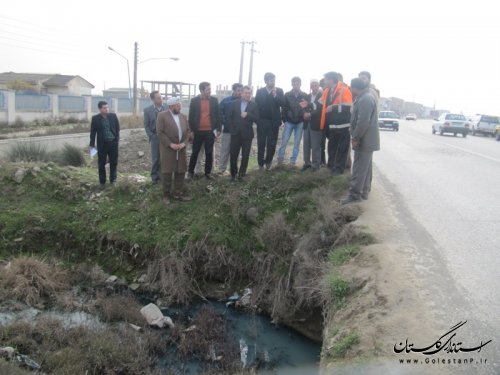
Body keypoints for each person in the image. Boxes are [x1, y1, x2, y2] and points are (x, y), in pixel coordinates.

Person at [341, 78, 380, 205]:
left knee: (359, 168)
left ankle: (355, 194)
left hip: (364, 140)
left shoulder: (365, 99)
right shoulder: (365, 96)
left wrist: (355, 137)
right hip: (366, 140)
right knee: (366, 168)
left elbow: (363, 122)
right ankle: (364, 192)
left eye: (351, 89)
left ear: (354, 88)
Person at [156, 97, 192, 205]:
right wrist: (170, 144)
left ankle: (178, 194)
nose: (180, 107)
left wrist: (184, 143)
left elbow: (188, 132)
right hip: (168, 150)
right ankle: (166, 196)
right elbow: (160, 133)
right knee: (167, 172)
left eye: (180, 105)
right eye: (178, 105)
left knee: (180, 172)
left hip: (181, 149)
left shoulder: (183, 117)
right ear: (171, 106)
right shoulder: (162, 116)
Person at [319, 71, 353, 176]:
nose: (324, 82)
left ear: (331, 80)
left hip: (344, 126)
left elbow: (348, 108)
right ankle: (331, 166)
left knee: (343, 149)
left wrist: (333, 108)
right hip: (332, 125)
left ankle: (339, 169)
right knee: (332, 147)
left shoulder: (344, 90)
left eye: (326, 80)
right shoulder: (327, 91)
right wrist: (308, 106)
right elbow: (319, 103)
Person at [187, 82, 221, 180]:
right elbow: (191, 117)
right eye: (208, 90)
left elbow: (218, 116)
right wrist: (192, 131)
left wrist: (219, 129)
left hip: (210, 131)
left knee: (209, 153)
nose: (210, 91)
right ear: (201, 90)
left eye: (210, 89)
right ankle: (190, 172)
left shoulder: (214, 100)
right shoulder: (194, 101)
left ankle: (208, 173)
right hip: (197, 132)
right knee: (195, 152)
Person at [227, 86, 259, 181]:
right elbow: (229, 118)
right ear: (241, 93)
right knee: (233, 155)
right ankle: (233, 175)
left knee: (245, 155)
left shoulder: (254, 105)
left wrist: (248, 114)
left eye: (249, 93)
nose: (247, 94)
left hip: (247, 134)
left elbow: (257, 119)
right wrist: (231, 129)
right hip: (235, 133)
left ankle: (242, 174)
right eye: (246, 92)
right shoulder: (234, 104)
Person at [254, 72, 285, 170]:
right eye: (271, 80)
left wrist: (275, 95)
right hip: (262, 121)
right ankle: (260, 164)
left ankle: (268, 162)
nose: (273, 82)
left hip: (274, 122)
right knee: (261, 143)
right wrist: (257, 120)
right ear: (266, 81)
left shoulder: (279, 91)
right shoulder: (260, 91)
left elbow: (283, 103)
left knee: (272, 144)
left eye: (274, 80)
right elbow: (257, 106)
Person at [278, 77, 308, 166]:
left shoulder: (304, 95)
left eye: (297, 84)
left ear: (300, 84)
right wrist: (285, 120)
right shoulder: (287, 95)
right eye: (294, 84)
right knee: (284, 141)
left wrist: (303, 119)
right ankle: (280, 159)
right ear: (292, 84)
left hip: (300, 122)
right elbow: (284, 108)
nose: (296, 86)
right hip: (289, 122)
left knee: (297, 142)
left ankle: (292, 161)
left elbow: (307, 108)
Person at [89, 101, 120, 189]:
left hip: (113, 143)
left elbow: (117, 129)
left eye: (107, 107)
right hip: (102, 144)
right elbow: (93, 133)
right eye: (104, 108)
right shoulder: (95, 119)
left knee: (113, 162)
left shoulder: (113, 116)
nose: (106, 109)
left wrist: (116, 140)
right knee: (101, 163)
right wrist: (92, 146)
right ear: (100, 109)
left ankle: (113, 180)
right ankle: (102, 182)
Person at [218, 83, 243, 175]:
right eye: (238, 90)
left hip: (239, 132)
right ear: (234, 90)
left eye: (241, 91)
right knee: (225, 150)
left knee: (236, 152)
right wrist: (226, 123)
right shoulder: (226, 101)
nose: (240, 93)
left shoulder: (243, 102)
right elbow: (220, 113)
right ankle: (221, 169)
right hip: (228, 130)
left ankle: (233, 170)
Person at [144, 91, 167, 184]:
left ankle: (163, 177)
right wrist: (152, 136)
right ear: (153, 99)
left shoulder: (166, 108)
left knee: (164, 157)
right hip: (155, 136)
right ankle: (154, 178)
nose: (161, 99)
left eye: (161, 97)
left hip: (166, 136)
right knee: (156, 158)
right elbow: (146, 125)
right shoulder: (148, 110)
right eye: (158, 98)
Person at [301, 79, 323, 171]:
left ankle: (315, 165)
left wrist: (310, 114)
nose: (314, 87)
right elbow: (302, 106)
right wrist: (304, 114)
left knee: (315, 146)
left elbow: (320, 109)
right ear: (310, 86)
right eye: (312, 85)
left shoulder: (322, 96)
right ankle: (307, 163)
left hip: (316, 124)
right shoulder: (307, 96)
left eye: (316, 85)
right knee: (306, 145)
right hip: (306, 124)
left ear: (318, 86)